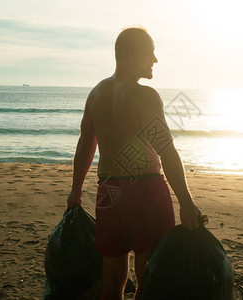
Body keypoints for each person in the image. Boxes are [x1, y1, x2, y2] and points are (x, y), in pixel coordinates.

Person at [67, 27, 201, 300]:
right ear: (128, 55)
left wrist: (76, 190)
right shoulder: (145, 96)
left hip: (109, 194)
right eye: (149, 53)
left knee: (112, 277)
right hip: (145, 193)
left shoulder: (96, 94)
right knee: (149, 277)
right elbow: (166, 150)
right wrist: (186, 202)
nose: (155, 60)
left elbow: (85, 146)